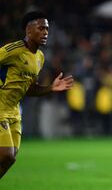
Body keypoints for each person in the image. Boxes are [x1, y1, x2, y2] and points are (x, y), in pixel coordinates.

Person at [0, 11, 74, 178]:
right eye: (41, 28)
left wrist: (50, 88)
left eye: (47, 29)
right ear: (28, 30)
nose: (45, 32)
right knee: (6, 154)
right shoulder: (13, 50)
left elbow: (31, 90)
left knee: (10, 160)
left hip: (14, 112)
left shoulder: (40, 58)